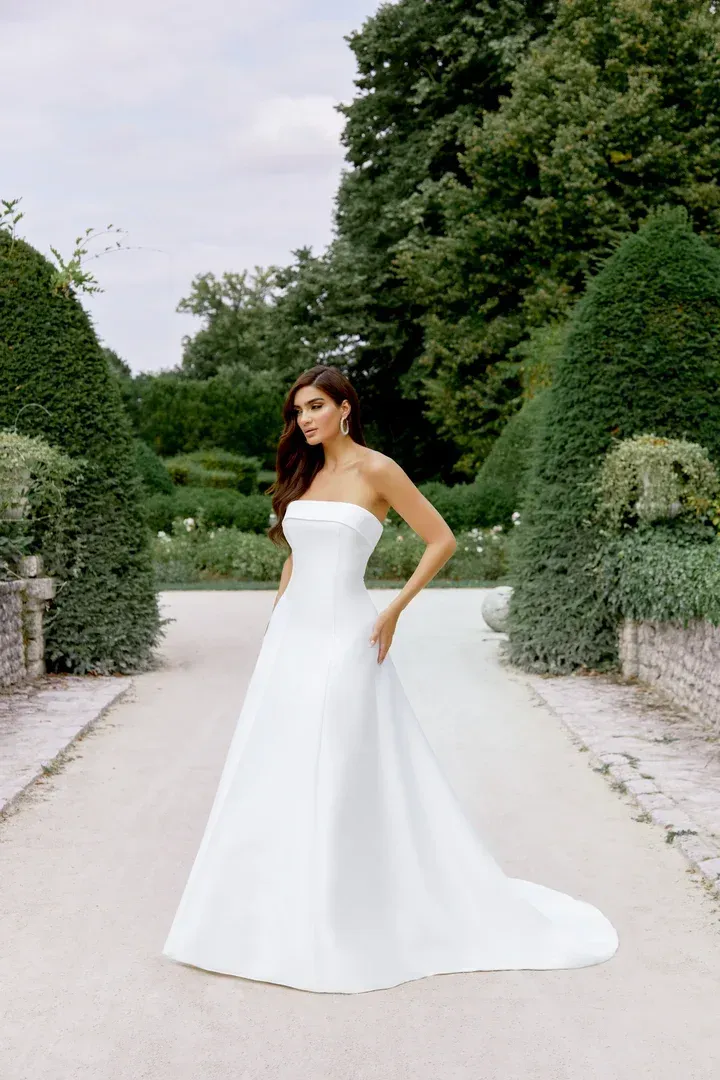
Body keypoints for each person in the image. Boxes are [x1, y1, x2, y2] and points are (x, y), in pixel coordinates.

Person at [162, 364, 618, 993]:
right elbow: (297, 556)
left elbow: (441, 539)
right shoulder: (307, 474)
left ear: (345, 408)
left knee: (344, 761)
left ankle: (344, 916)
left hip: (350, 634)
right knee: (275, 763)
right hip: (291, 640)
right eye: (299, 411)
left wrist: (393, 610)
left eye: (317, 406)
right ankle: (262, 910)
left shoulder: (376, 470)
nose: (306, 420)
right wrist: (274, 624)